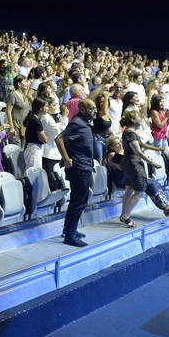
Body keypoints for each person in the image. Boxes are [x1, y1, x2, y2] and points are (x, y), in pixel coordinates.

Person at [117, 109, 169, 227]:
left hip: (129, 163)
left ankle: (124, 214)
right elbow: (139, 152)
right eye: (138, 117)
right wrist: (153, 163)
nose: (141, 119)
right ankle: (125, 216)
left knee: (129, 190)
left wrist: (155, 149)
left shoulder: (130, 132)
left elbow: (140, 144)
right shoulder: (130, 133)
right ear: (132, 120)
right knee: (138, 191)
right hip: (133, 164)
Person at [55, 98, 97, 247]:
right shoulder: (77, 123)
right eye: (91, 109)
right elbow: (59, 138)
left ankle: (69, 230)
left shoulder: (85, 123)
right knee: (78, 202)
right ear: (83, 110)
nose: (95, 111)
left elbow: (68, 141)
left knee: (78, 201)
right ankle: (70, 235)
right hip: (79, 168)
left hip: (84, 166)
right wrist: (66, 158)